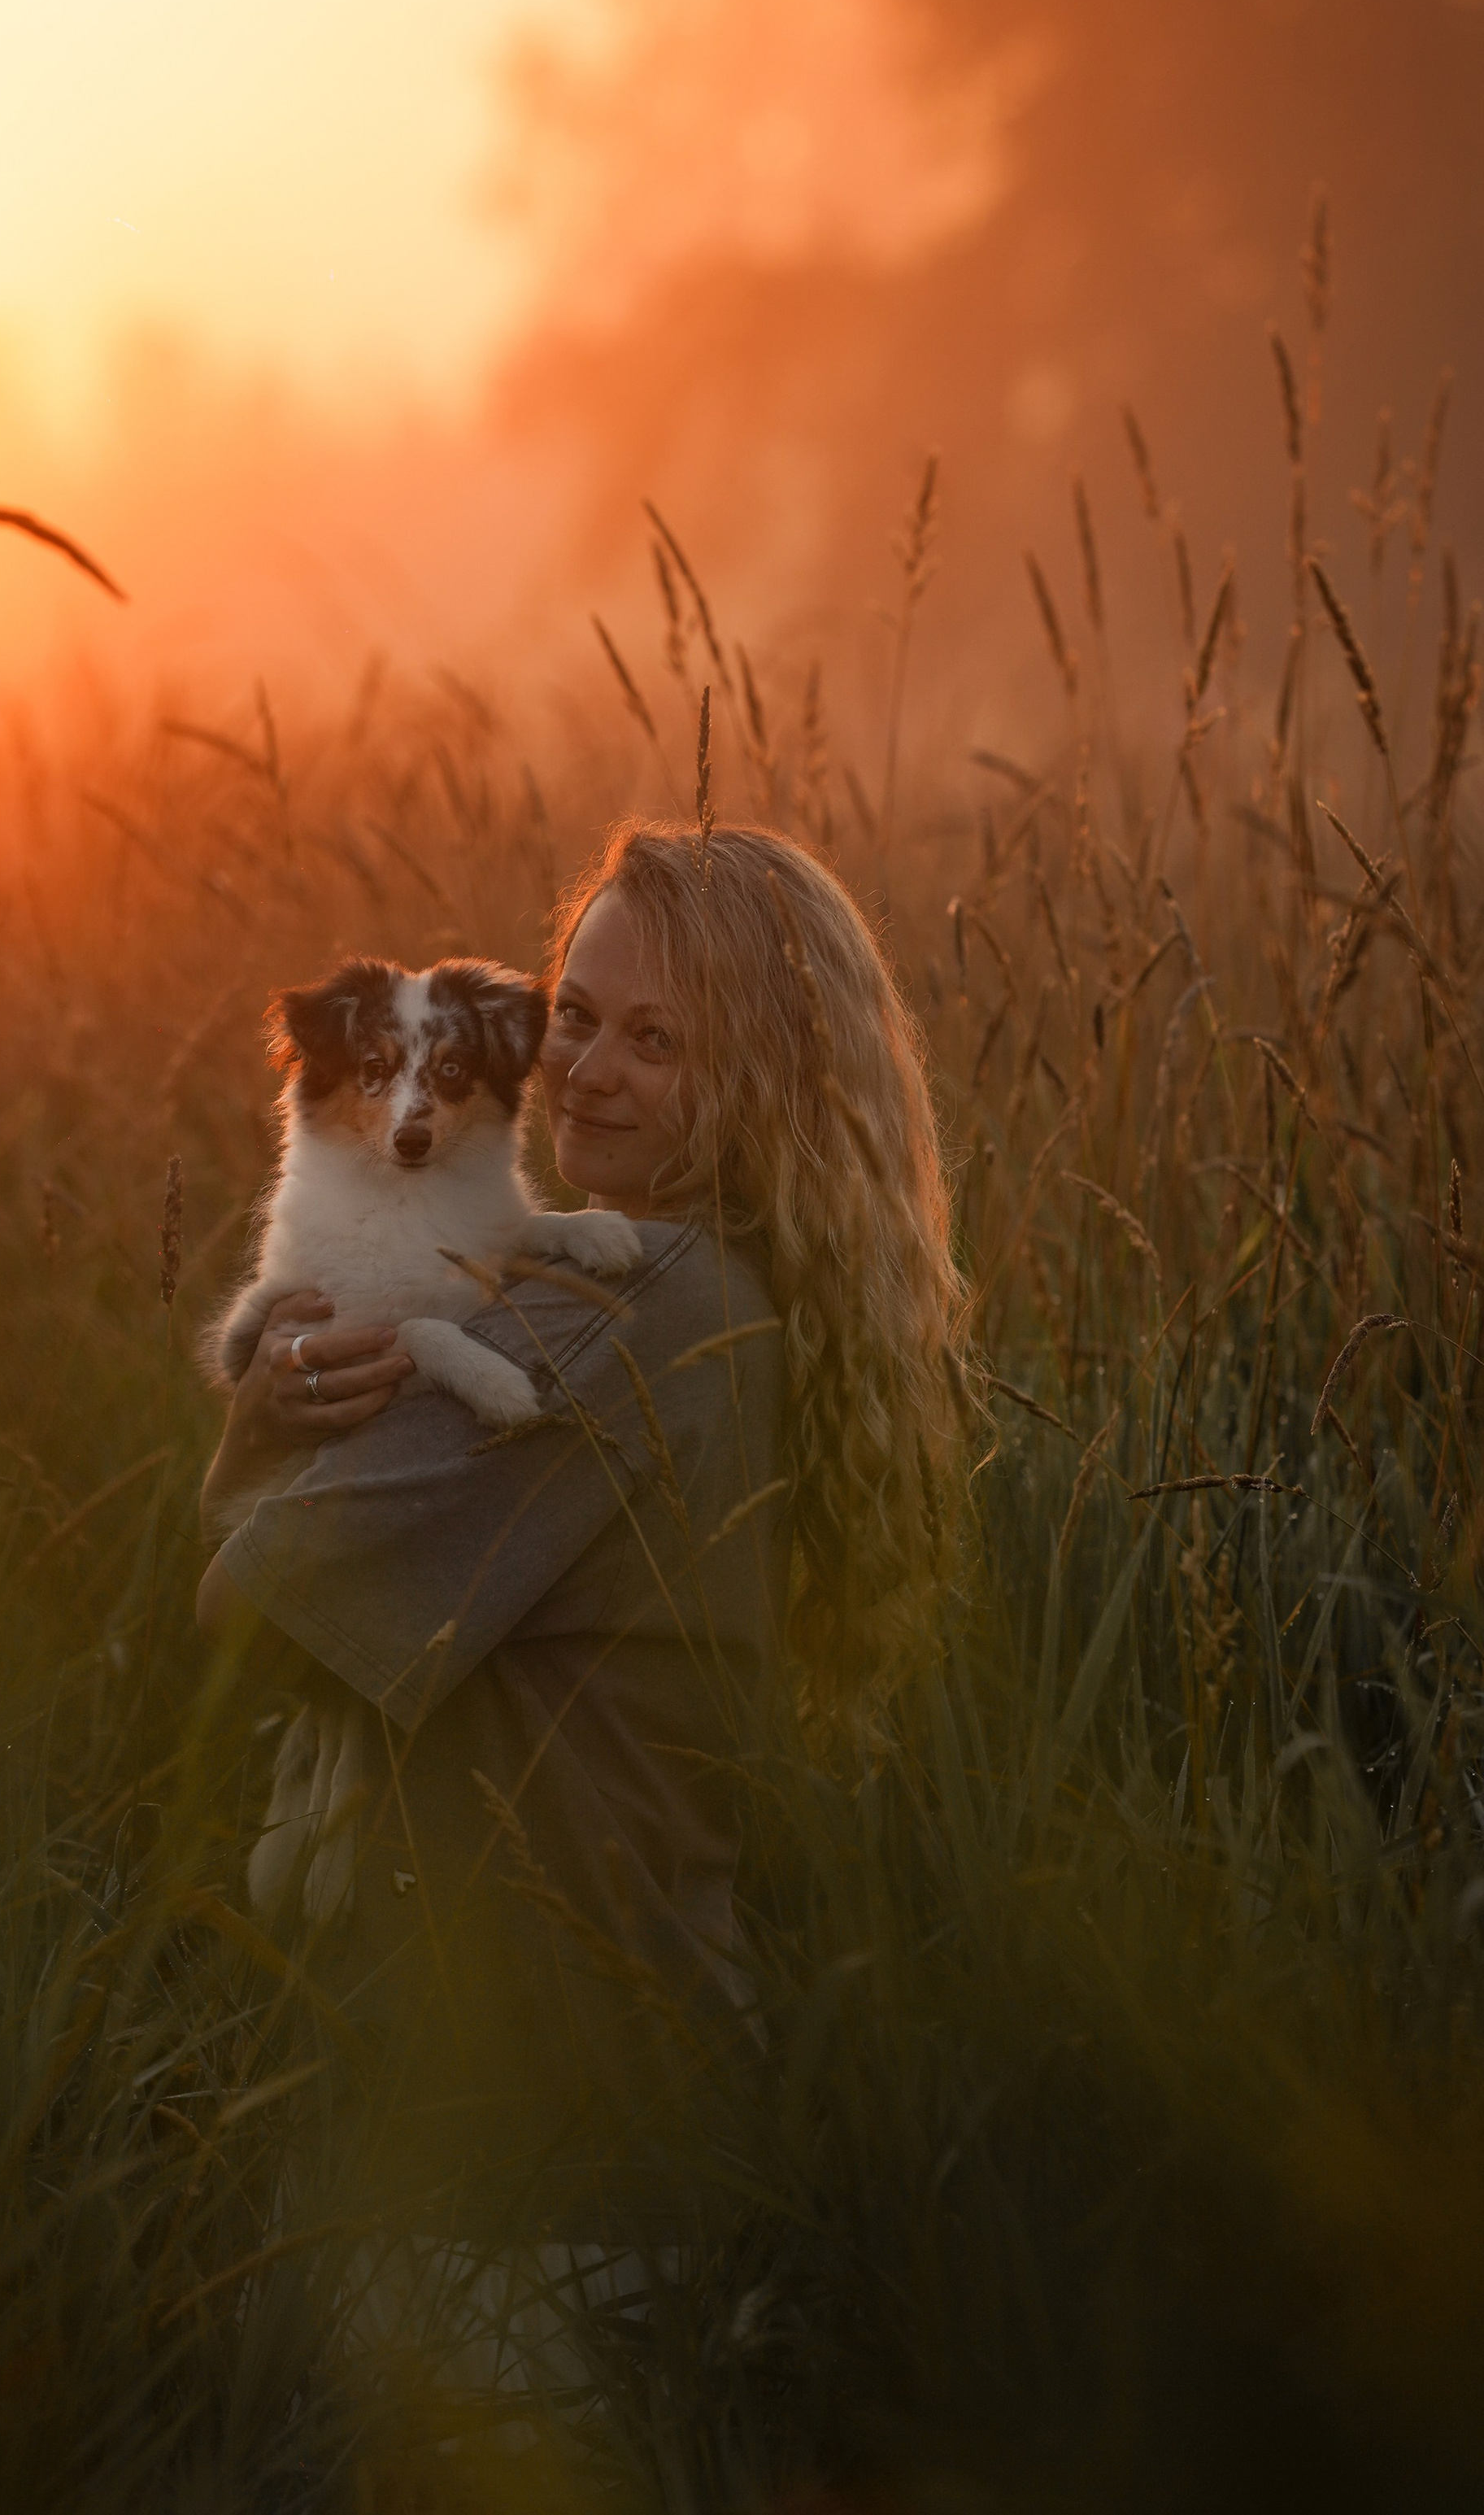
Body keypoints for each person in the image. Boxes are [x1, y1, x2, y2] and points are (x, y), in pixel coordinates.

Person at [194, 819, 964, 2320]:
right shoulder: (737, 1288)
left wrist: (254, 1433)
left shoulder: (618, 1316)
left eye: (660, 1041)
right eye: (582, 1019)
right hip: (631, 2126)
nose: (587, 1073)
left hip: (527, 2183)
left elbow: (243, 1613)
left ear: (765, 1080)